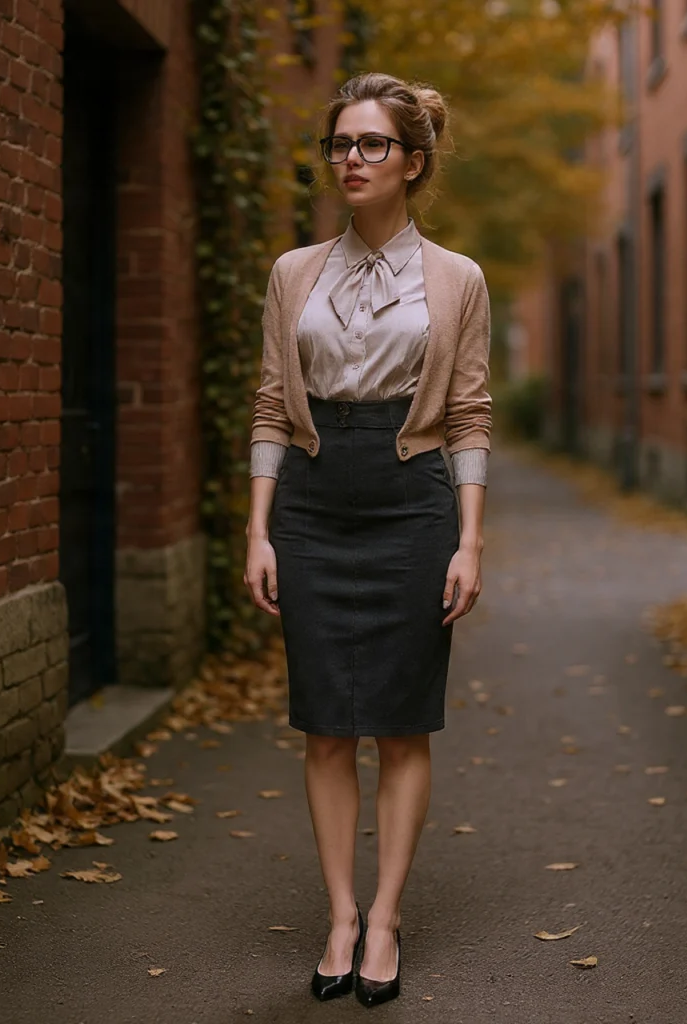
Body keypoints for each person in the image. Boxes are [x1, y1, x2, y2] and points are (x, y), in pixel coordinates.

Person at [244, 71, 491, 1008]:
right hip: (310, 503)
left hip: (411, 501)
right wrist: (257, 529)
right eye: (339, 145)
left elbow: (468, 412)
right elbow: (272, 401)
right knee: (323, 723)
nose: (350, 159)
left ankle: (385, 915)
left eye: (371, 145)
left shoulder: (457, 279)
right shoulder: (292, 272)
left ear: (411, 160)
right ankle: (340, 914)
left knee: (399, 719)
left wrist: (469, 541)